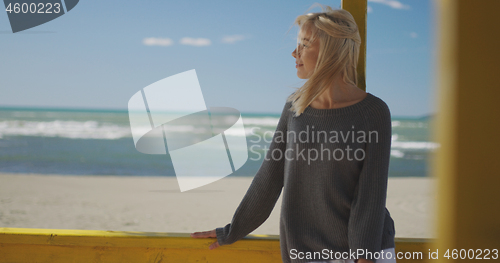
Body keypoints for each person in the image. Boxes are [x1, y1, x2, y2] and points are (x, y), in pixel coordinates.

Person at [191, 4, 396, 263]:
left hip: (366, 252)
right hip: (305, 252)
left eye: (305, 44)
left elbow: (370, 197)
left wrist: (363, 258)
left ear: (331, 50)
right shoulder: (295, 107)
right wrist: (233, 230)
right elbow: (270, 177)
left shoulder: (374, 112)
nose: (294, 53)